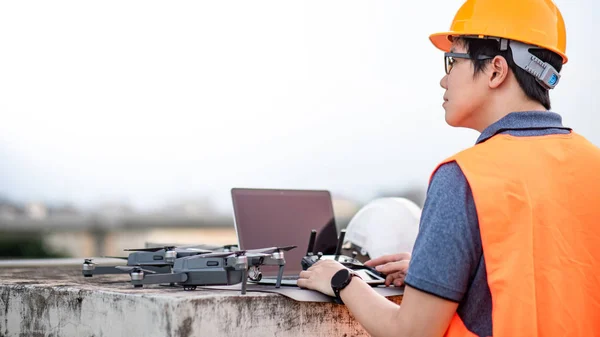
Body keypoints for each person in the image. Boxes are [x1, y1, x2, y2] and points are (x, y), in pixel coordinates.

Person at [297, 0, 600, 336]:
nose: (444, 80)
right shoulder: (593, 165)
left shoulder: (466, 177)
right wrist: (446, 272)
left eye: (453, 60)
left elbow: (411, 331)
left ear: (496, 70)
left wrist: (341, 279)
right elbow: (552, 278)